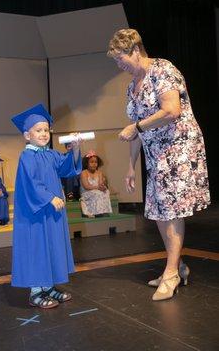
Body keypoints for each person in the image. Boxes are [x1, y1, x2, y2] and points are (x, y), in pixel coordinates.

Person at [107, 28, 210, 301]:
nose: (118, 65)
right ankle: (177, 267)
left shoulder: (163, 69)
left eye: (120, 59)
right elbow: (136, 131)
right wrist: (131, 166)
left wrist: (137, 126)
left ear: (135, 51)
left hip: (179, 148)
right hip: (157, 154)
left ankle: (172, 272)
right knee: (160, 210)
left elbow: (172, 110)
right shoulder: (132, 87)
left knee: (172, 210)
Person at [11, 104, 82, 309]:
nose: (43, 134)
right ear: (27, 135)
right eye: (38, 130)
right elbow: (30, 183)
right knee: (37, 248)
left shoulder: (50, 154)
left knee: (51, 245)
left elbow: (67, 167)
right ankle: (35, 292)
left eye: (45, 130)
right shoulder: (27, 157)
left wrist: (75, 149)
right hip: (35, 212)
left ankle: (49, 286)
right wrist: (49, 198)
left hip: (52, 211)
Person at [80, 150, 112, 218]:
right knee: (96, 193)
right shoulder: (84, 173)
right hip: (87, 192)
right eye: (91, 162)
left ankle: (101, 211)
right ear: (87, 163)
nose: (94, 164)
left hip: (96, 190)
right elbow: (86, 186)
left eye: (95, 162)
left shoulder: (99, 173)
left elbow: (100, 184)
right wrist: (98, 187)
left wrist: (103, 187)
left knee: (106, 192)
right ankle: (91, 211)